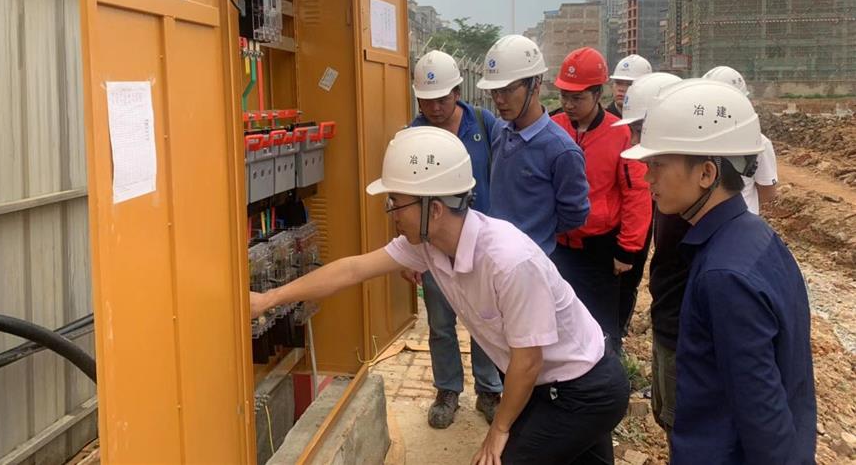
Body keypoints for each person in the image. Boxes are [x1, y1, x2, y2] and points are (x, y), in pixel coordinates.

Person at [249, 127, 630, 464]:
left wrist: (498, 429)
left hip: (582, 389)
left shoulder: (509, 262)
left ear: (433, 209)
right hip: (552, 384)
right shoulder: (429, 246)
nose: (391, 213)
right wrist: (269, 299)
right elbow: (352, 270)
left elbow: (528, 361)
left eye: (396, 203)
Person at [622, 79, 816, 464]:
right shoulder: (753, 237)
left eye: (658, 165)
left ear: (707, 174)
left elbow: (763, 415)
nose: (647, 178)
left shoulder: (725, 276)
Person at [407, 49, 503, 428]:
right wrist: (410, 253)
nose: (434, 107)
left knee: (486, 320)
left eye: (442, 99)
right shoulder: (412, 136)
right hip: (434, 247)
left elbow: (505, 172)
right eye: (426, 100)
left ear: (457, 92)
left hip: (480, 245)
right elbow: (403, 196)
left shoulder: (483, 123)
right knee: (440, 324)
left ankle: (489, 389)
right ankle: (447, 390)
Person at [549, 48, 651, 352]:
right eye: (564, 96)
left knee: (602, 329)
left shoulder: (619, 134)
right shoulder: (553, 127)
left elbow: (635, 193)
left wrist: (627, 249)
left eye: (577, 98)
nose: (569, 105)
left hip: (600, 250)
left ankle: (608, 374)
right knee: (559, 326)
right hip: (557, 246)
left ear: (597, 94)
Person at [612, 72, 685, 437]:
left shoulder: (714, 238)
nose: (636, 143)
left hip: (684, 338)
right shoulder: (675, 204)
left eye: (641, 130)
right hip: (668, 325)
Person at [477, 34, 590, 255]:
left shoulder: (561, 151)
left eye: (508, 89)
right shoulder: (499, 130)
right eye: (495, 91)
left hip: (531, 261)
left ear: (535, 84)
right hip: (493, 255)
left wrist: (538, 230)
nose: (499, 99)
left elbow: (575, 213)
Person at [703, 65, 778, 214]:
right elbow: (767, 193)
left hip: (702, 221)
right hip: (740, 219)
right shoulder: (758, 141)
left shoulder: (694, 138)